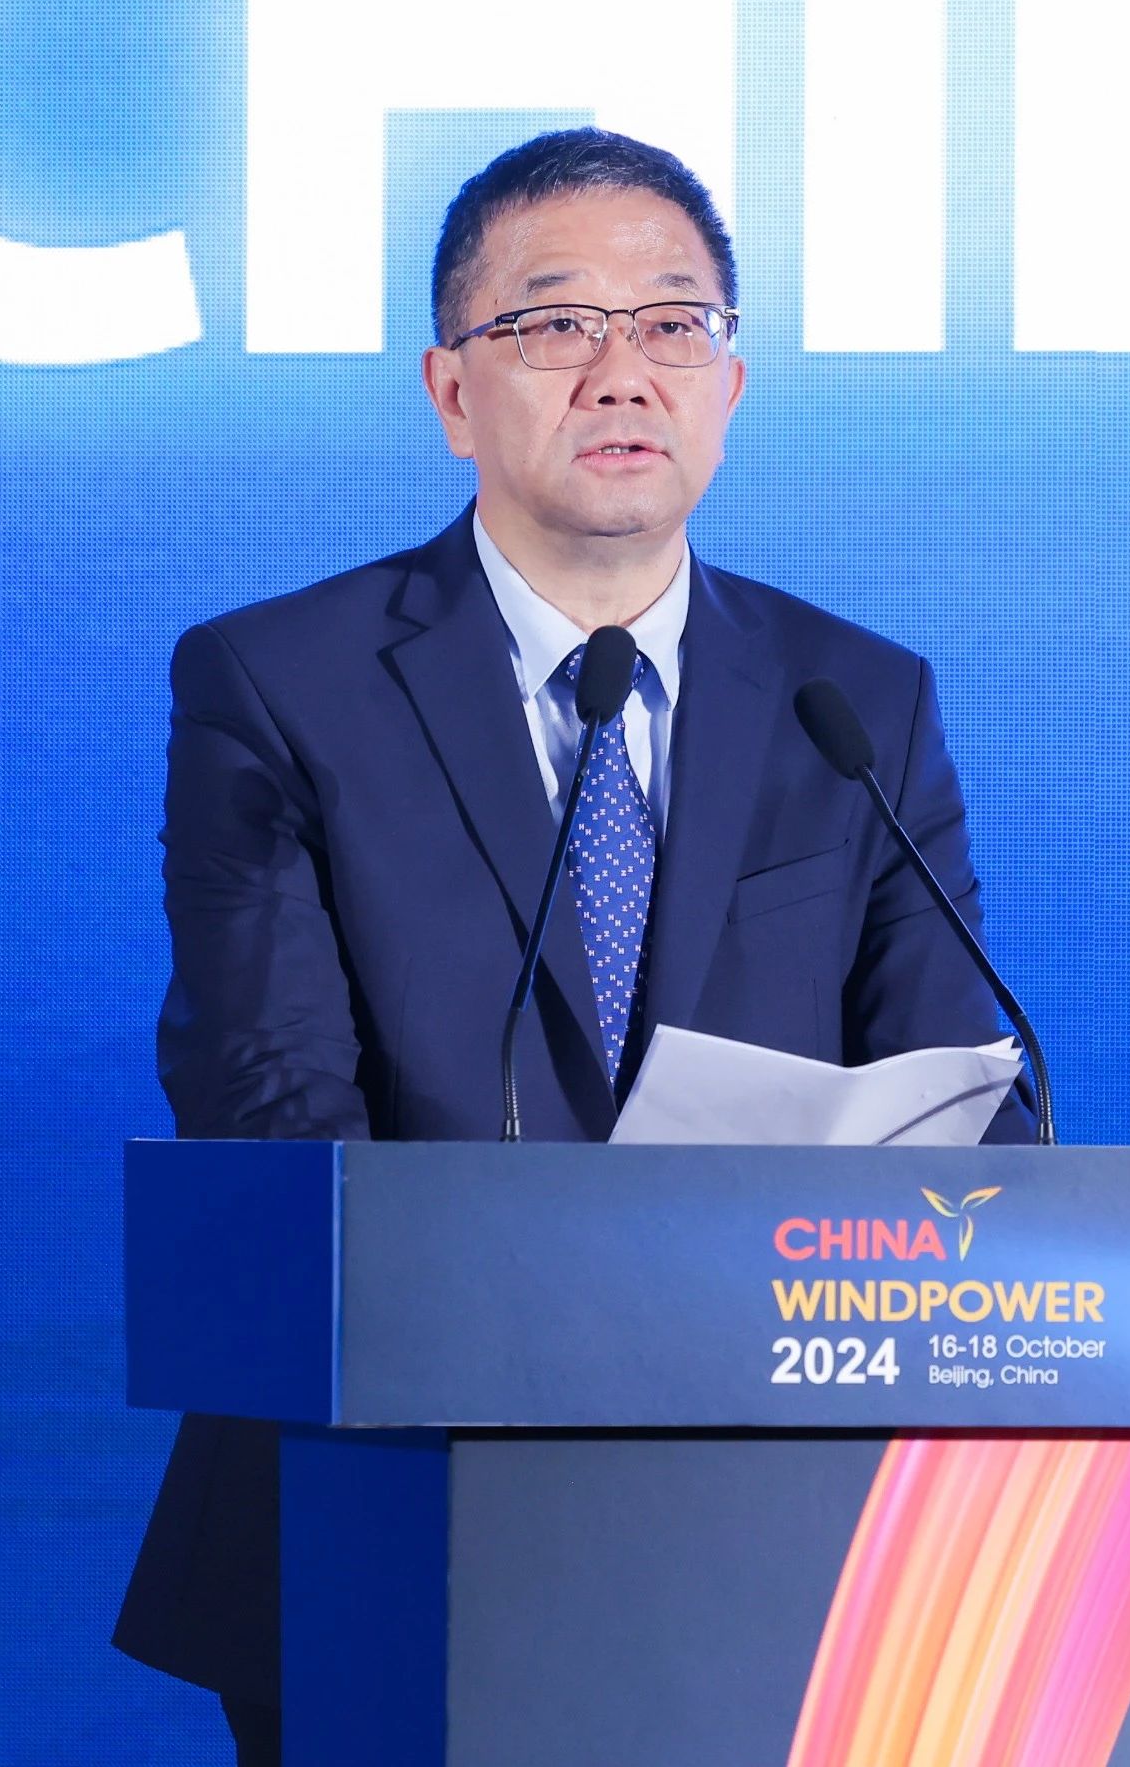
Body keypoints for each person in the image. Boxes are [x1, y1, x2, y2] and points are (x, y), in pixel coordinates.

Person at [110, 128, 1028, 1762]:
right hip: (381, 1499)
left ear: (729, 387)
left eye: (674, 323)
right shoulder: (277, 684)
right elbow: (269, 1108)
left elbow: (957, 1100)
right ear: (451, 392)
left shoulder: (857, 702)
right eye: (554, 325)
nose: (623, 372)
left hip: (782, 1516)